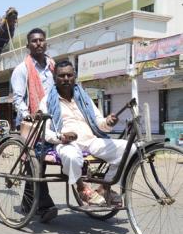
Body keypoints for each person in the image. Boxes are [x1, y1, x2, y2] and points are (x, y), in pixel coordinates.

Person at [39, 60, 136, 205]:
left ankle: (104, 187)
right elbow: (44, 132)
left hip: (91, 140)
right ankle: (82, 188)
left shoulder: (84, 98)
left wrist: (108, 123)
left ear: (75, 76)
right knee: (71, 156)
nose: (66, 79)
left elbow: (98, 122)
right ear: (55, 78)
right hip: (67, 143)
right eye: (62, 76)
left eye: (69, 75)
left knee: (130, 148)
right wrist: (62, 137)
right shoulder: (47, 101)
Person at [10, 28, 57, 223]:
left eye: (41, 40)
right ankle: (45, 205)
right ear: (28, 45)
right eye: (34, 41)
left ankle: (27, 204)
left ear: (46, 43)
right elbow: (18, 99)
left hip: (53, 122)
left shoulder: (53, 67)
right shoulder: (22, 69)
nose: (38, 43)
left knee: (41, 164)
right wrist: (27, 115)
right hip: (32, 124)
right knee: (35, 162)